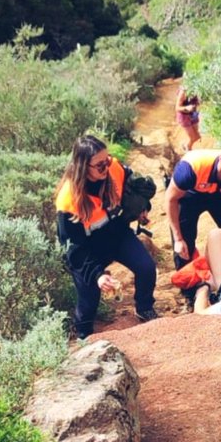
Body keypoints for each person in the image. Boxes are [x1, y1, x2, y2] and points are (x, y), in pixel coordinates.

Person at [55, 134, 158, 337]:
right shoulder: (68, 200)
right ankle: (83, 335)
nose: (106, 167)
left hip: (117, 234)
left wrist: (142, 207)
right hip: (87, 251)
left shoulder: (113, 168)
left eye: (107, 160)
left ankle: (144, 307)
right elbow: (74, 250)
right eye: (99, 165)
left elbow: (133, 187)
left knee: (146, 267)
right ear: (83, 167)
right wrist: (98, 275)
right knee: (89, 300)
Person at [165, 138, 221, 270]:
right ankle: (187, 280)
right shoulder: (190, 169)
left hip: (220, 196)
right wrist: (178, 239)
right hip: (191, 195)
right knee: (184, 247)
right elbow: (170, 199)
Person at [175, 86, 201, 152]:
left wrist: (198, 102)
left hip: (193, 114)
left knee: (197, 137)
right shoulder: (183, 92)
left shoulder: (198, 87)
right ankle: (187, 147)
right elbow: (177, 108)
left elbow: (197, 102)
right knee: (193, 137)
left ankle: (186, 145)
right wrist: (186, 108)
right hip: (184, 117)